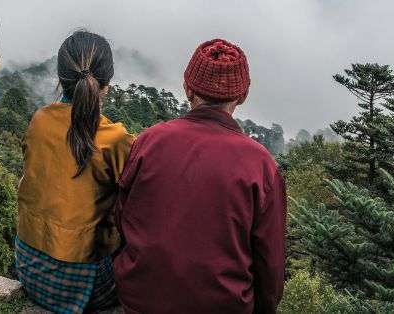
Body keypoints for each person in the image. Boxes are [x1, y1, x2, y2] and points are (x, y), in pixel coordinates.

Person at [114, 39, 286, 313]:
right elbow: (270, 261)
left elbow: (121, 217)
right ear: (242, 96)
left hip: (140, 299)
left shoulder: (149, 140)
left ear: (187, 88)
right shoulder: (261, 165)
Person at [15, 31, 134, 313]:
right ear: (106, 85)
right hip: (86, 282)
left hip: (29, 267)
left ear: (60, 77)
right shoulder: (115, 138)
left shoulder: (40, 120)